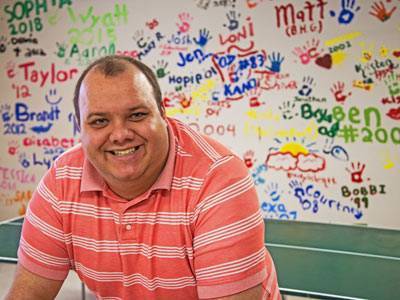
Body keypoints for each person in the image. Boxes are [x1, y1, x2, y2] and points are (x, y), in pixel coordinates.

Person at [6, 55, 281, 299]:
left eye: (136, 115)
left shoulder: (220, 180)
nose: (120, 134)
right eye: (100, 121)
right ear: (79, 127)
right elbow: (29, 292)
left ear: (162, 113)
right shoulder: (60, 183)